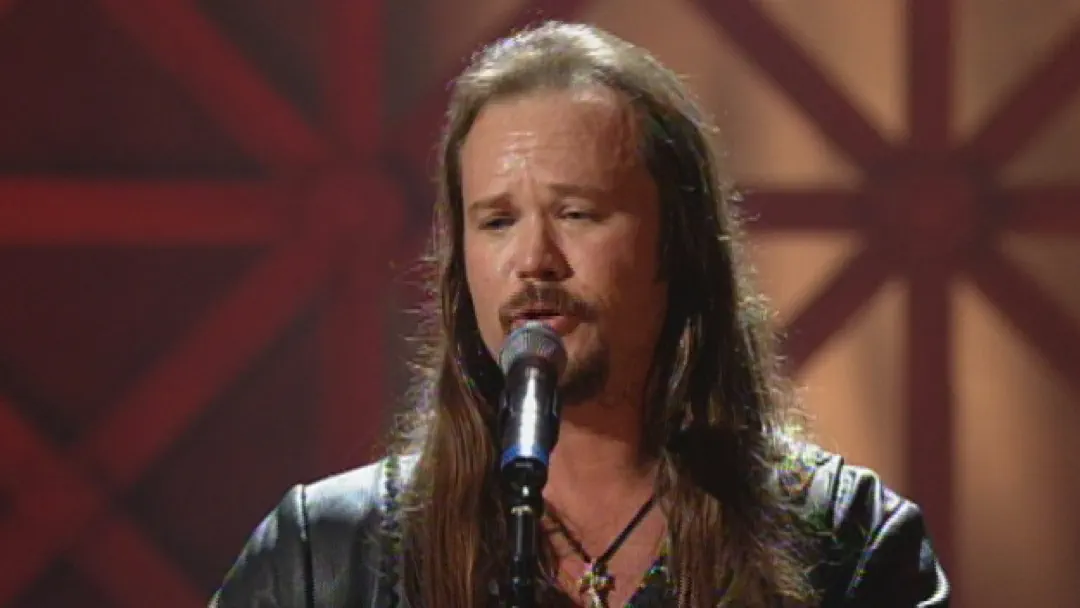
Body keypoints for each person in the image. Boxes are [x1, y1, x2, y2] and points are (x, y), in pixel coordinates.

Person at [210, 20, 950, 608]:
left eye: (577, 212)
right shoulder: (323, 556)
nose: (534, 259)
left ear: (678, 245)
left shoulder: (846, 542)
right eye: (497, 221)